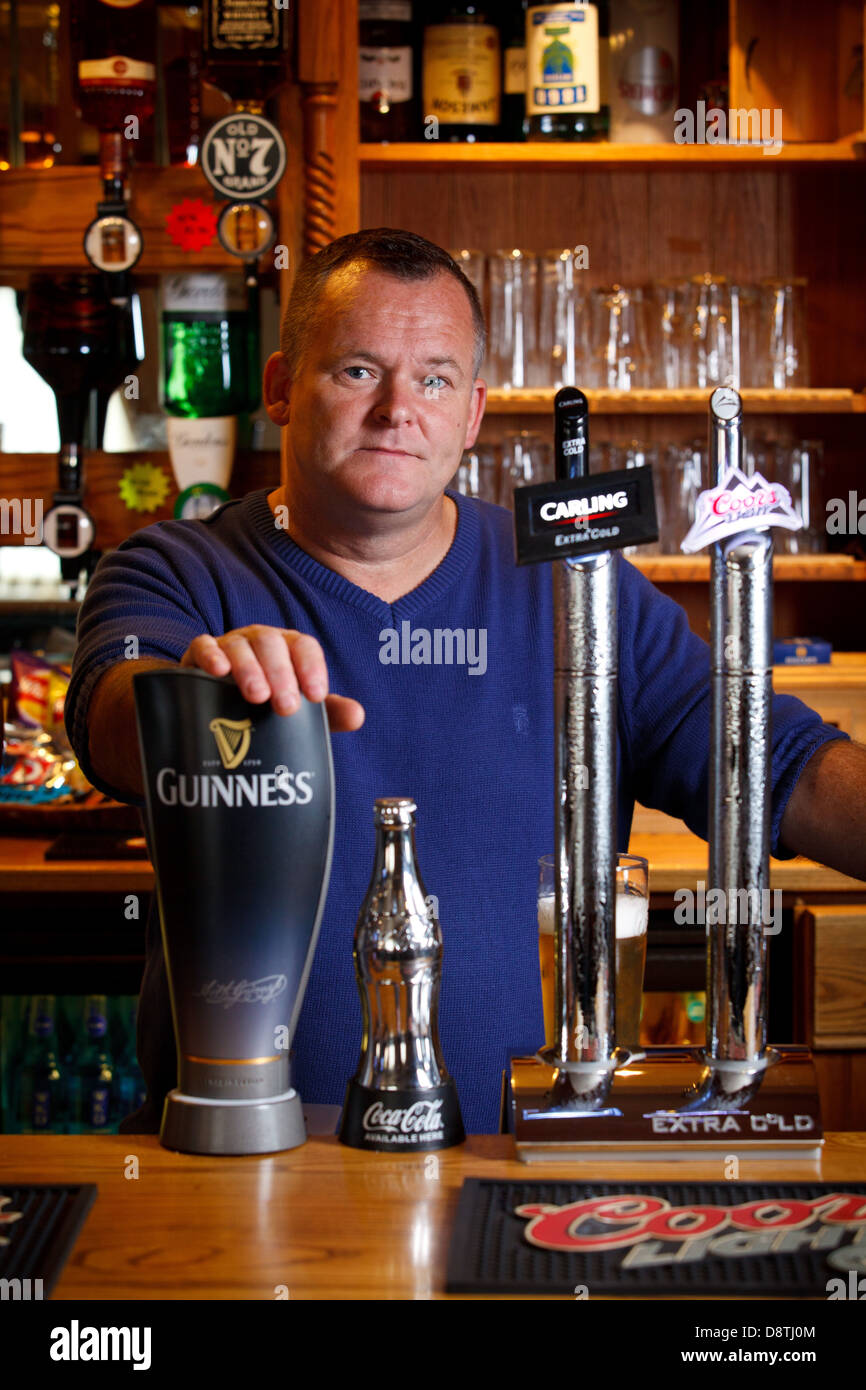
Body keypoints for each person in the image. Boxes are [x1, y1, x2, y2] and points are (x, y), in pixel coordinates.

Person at [66, 228, 866, 1135]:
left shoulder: (576, 586)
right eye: (359, 371)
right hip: (244, 1156)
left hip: (518, 1157)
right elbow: (112, 718)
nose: (399, 410)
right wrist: (200, 692)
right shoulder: (179, 570)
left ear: (474, 413)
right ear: (281, 387)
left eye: (435, 379)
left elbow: (768, 757)